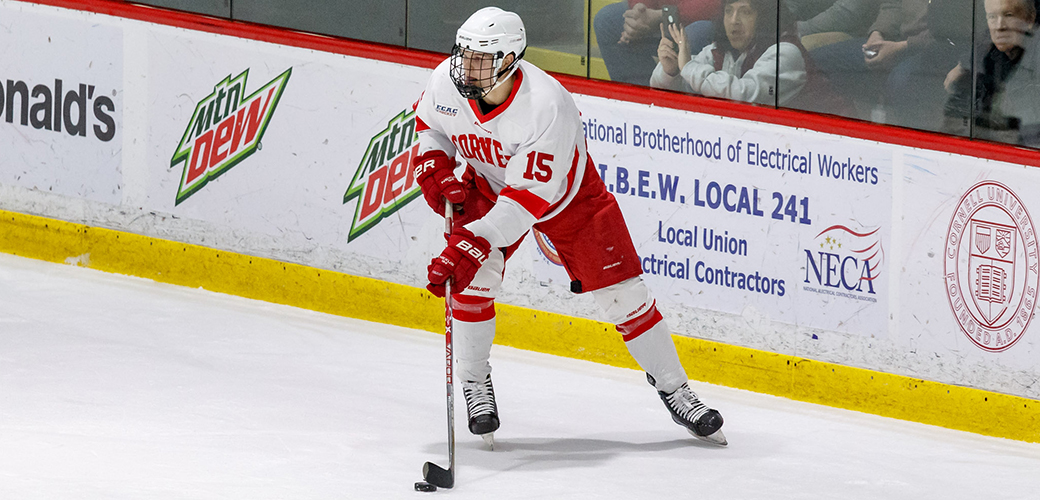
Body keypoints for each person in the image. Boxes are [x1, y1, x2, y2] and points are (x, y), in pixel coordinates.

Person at [413, 6, 727, 446]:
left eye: (480, 57)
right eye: (464, 53)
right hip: (487, 182)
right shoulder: (448, 78)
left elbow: (524, 204)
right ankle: (474, 384)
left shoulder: (546, 105)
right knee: (472, 283)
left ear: (509, 61)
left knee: (625, 295)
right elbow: (430, 127)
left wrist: (472, 242)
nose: (466, 65)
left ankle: (677, 390)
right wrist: (433, 165)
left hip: (568, 197)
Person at [808, 0, 967, 129]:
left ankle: (909, 144)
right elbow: (893, 4)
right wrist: (878, 33)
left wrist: (904, 47)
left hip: (938, 49)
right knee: (816, 61)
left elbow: (954, 32)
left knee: (902, 81)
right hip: (895, 42)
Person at [649, 0, 808, 106]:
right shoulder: (721, 50)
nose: (734, 21)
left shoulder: (786, 52)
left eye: (745, 12)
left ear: (765, 18)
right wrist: (672, 72)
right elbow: (668, 94)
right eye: (728, 11)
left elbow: (744, 96)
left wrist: (688, 67)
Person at [943, 0, 1040, 145]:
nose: (999, 27)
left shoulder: (1033, 58)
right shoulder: (989, 53)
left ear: (1030, 18)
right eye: (992, 17)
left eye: (1009, 15)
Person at [594, 1, 721, 85]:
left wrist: (663, 15)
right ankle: (641, 102)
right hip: (664, 15)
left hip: (703, 23)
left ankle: (685, 108)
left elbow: (717, 5)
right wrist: (640, 9)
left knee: (694, 33)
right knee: (607, 20)